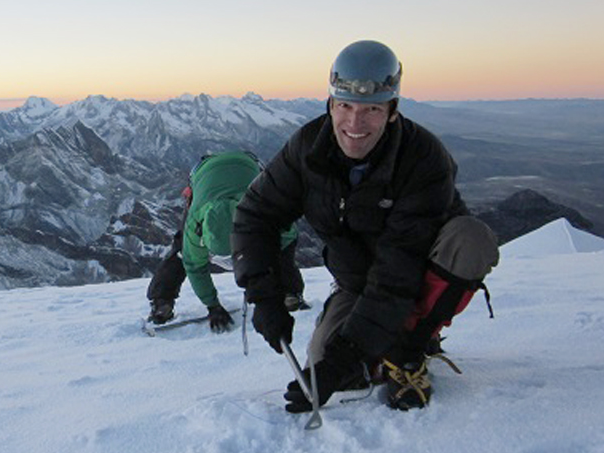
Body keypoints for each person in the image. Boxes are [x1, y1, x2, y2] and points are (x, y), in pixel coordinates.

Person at [232, 40, 499, 411]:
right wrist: (264, 296)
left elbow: (399, 269)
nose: (355, 124)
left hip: (420, 273)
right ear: (330, 104)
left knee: (470, 240)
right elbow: (256, 215)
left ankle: (411, 349)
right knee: (323, 361)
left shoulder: (423, 159)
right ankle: (379, 345)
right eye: (344, 106)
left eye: (372, 109)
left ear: (392, 111)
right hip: (357, 281)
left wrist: (347, 356)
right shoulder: (308, 149)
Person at [146, 150, 307, 333]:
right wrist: (212, 304)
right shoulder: (195, 224)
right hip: (217, 170)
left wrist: (258, 282)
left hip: (235, 168)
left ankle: (162, 303)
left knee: (180, 253)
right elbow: (194, 266)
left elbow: (288, 235)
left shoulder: (262, 209)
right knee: (184, 249)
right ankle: (290, 294)